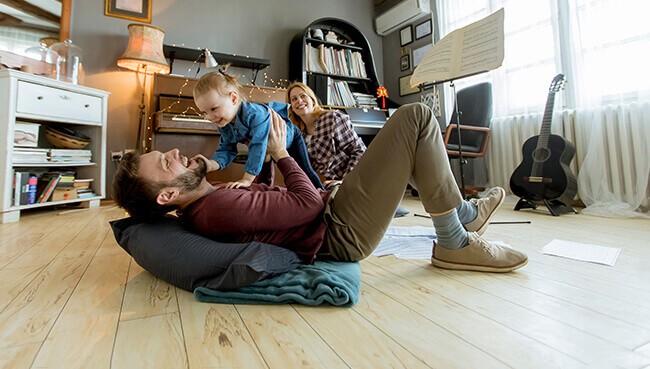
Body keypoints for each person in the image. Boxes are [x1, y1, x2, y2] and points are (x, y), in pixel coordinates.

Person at [113, 103, 528, 272]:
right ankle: (455, 240)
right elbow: (306, 206)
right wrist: (279, 154)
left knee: (413, 143)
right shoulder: (216, 210)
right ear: (167, 196)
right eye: (165, 164)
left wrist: (276, 154)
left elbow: (268, 202)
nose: (175, 154)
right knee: (416, 117)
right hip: (339, 228)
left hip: (334, 208)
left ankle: (464, 219)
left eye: (165, 153)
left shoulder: (209, 200)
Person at [286, 82, 409, 217]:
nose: (299, 101)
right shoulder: (298, 134)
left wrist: (345, 181)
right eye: (294, 99)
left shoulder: (332, 118)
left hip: (346, 180)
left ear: (312, 99)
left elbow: (358, 151)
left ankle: (381, 204)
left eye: (303, 96)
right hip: (322, 186)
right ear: (291, 106)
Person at [193, 70, 322, 189]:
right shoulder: (224, 124)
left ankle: (322, 193)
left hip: (291, 137)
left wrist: (246, 179)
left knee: (305, 169)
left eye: (214, 109)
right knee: (264, 173)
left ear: (233, 98)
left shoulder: (254, 114)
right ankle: (265, 191)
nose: (209, 117)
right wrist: (210, 165)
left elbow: (258, 145)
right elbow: (226, 149)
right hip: (266, 148)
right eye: (204, 112)